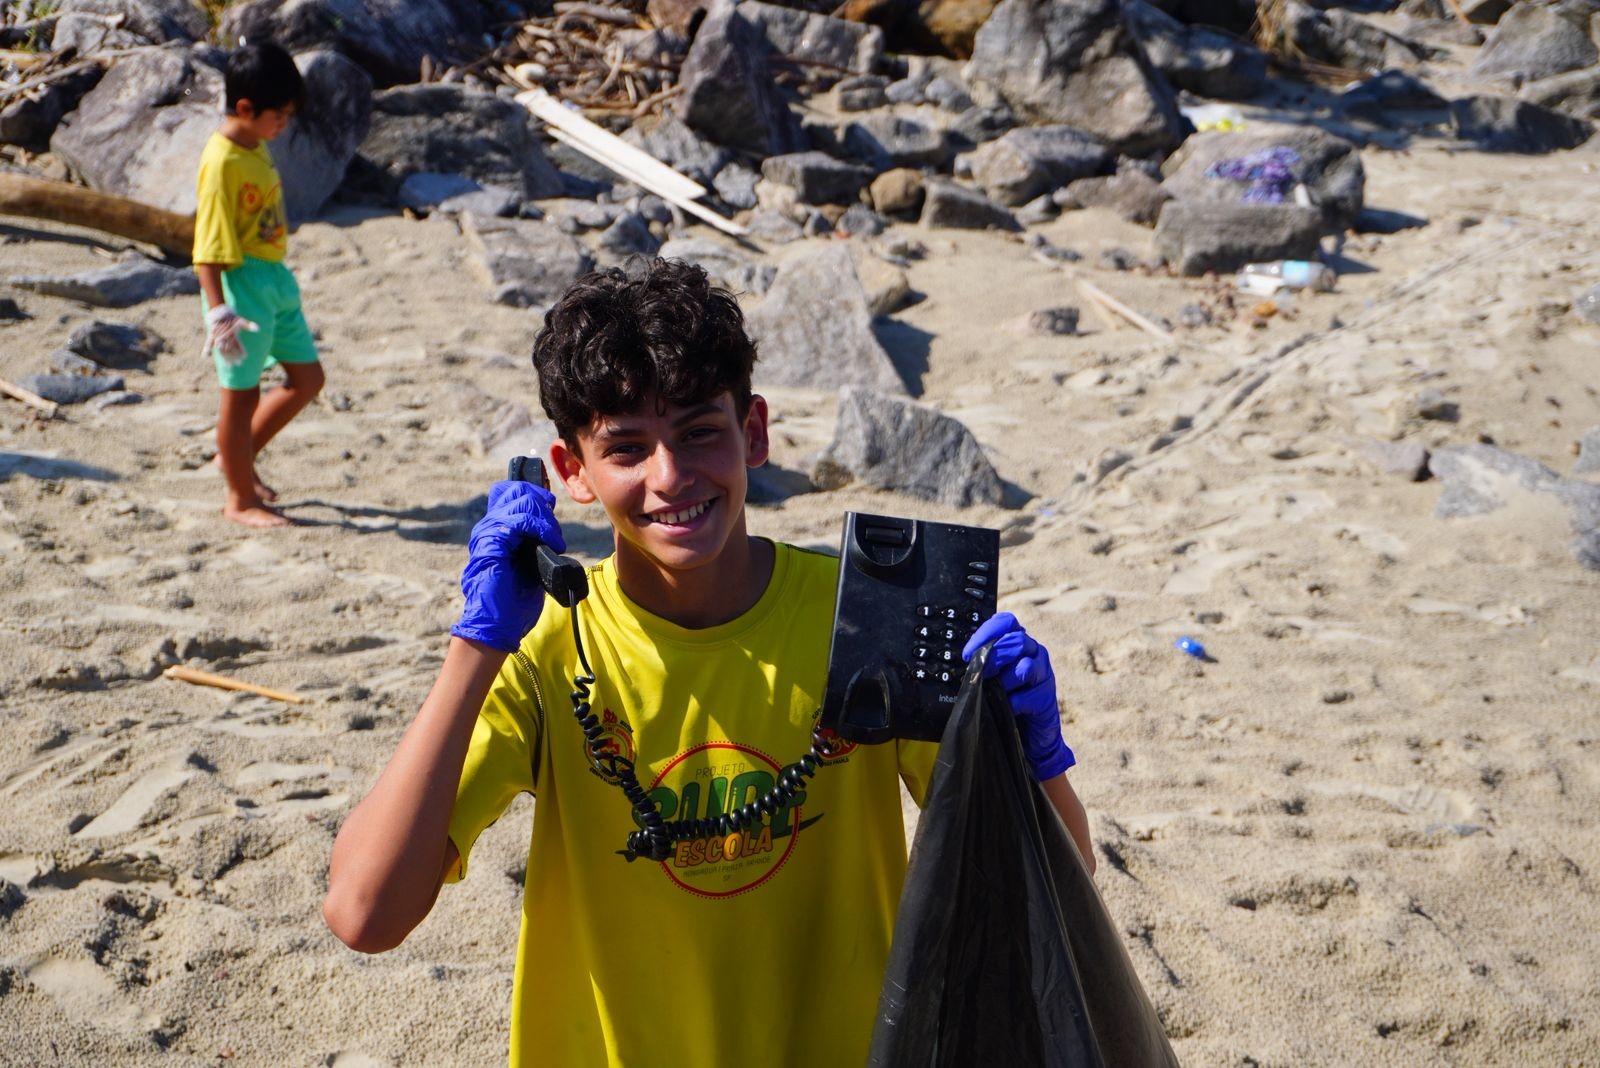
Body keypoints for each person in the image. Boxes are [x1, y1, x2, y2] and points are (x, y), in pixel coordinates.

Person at [322, 259, 1094, 1066]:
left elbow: (1057, 905)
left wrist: (1036, 757)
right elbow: (364, 914)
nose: (669, 476)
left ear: (753, 431)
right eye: (625, 448)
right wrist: (475, 648)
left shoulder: (863, 618)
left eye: (698, 432)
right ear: (570, 473)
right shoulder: (545, 647)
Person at [192, 40, 324, 529]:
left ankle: (237, 465)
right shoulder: (221, 161)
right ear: (245, 108)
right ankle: (240, 499)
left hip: (274, 280)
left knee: (308, 379)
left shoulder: (254, 143)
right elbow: (205, 247)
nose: (284, 125)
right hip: (240, 287)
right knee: (240, 396)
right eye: (280, 115)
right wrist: (217, 310)